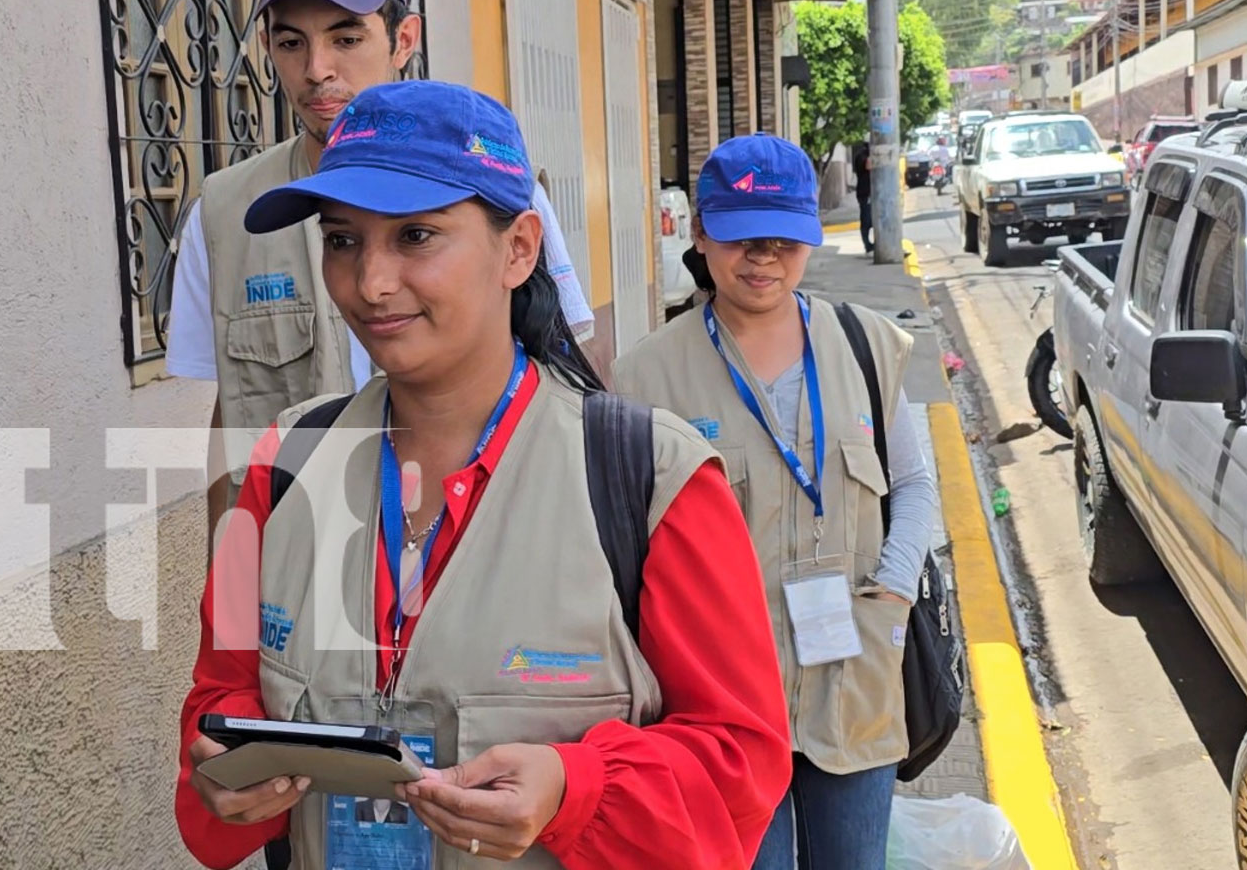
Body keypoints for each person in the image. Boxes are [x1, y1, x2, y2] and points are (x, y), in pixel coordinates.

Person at [175, 81, 792, 869]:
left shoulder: (652, 479)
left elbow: (740, 765)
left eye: (417, 237)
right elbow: (219, 695)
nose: (371, 283)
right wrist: (222, 772)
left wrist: (578, 789)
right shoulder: (277, 470)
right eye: (342, 241)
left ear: (519, 249)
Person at [163, 0, 594, 539]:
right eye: (291, 43)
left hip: (477, 545)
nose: (317, 69)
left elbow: (564, 365)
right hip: (308, 568)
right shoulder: (225, 212)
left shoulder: (493, 180)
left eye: (346, 39)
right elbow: (230, 421)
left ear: (403, 39)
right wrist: (229, 585)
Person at [613, 134, 937, 870]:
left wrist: (893, 586)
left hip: (852, 680)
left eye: (784, 239)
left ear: (812, 236)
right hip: (720, 702)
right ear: (700, 234)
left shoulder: (866, 346)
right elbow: (624, 548)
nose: (762, 257)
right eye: (740, 237)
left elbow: (914, 483)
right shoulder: (643, 378)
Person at [851, 138, 873, 253]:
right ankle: (867, 244)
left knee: (872, 220)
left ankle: (872, 244)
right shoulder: (862, 156)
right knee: (866, 220)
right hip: (865, 192)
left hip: (871, 192)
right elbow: (868, 166)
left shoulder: (865, 154)